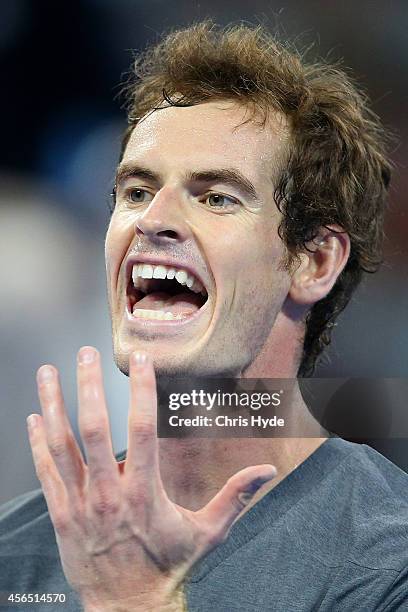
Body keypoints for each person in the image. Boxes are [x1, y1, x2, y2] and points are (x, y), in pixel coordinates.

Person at [1, 21, 407, 612]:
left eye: (216, 196)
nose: (153, 220)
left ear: (313, 261)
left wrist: (134, 600)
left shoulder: (388, 560)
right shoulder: (17, 550)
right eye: (136, 191)